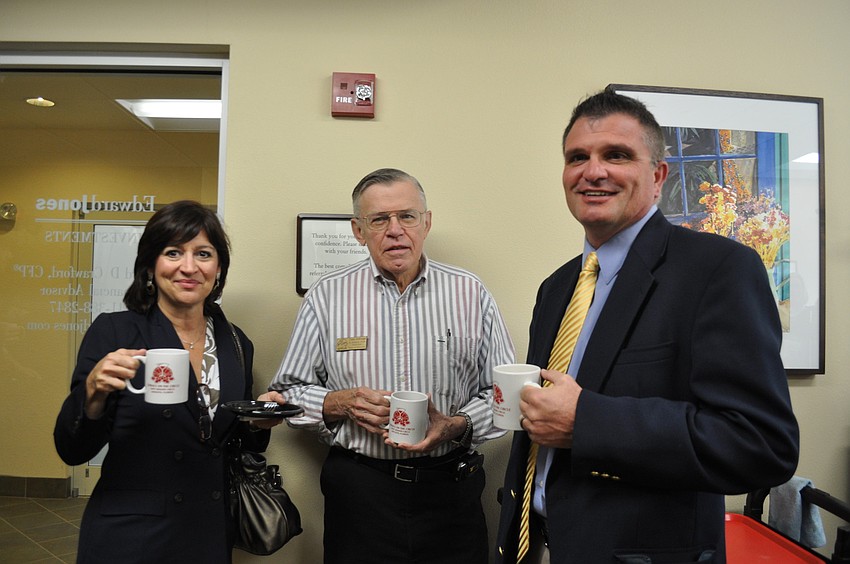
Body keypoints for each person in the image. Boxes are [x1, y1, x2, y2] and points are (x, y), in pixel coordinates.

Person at [494, 91, 800, 563]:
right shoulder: (556, 288)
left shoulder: (718, 269)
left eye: (616, 155)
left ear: (657, 176)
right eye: (578, 157)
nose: (593, 171)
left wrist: (588, 421)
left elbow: (759, 445)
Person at [261, 168, 515, 564]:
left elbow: (503, 397)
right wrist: (339, 403)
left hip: (450, 490)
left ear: (426, 222)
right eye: (379, 219)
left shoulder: (471, 292)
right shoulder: (326, 296)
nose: (395, 230)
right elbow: (288, 391)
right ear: (359, 231)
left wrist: (456, 425)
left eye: (407, 216)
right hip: (361, 494)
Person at [54, 200, 271, 563]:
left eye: (203, 254)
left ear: (218, 268)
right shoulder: (115, 331)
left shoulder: (236, 342)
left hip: (207, 531)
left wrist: (260, 421)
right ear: (151, 266)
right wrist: (92, 394)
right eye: (173, 253)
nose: (189, 267)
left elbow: (227, 438)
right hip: (133, 535)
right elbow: (72, 450)